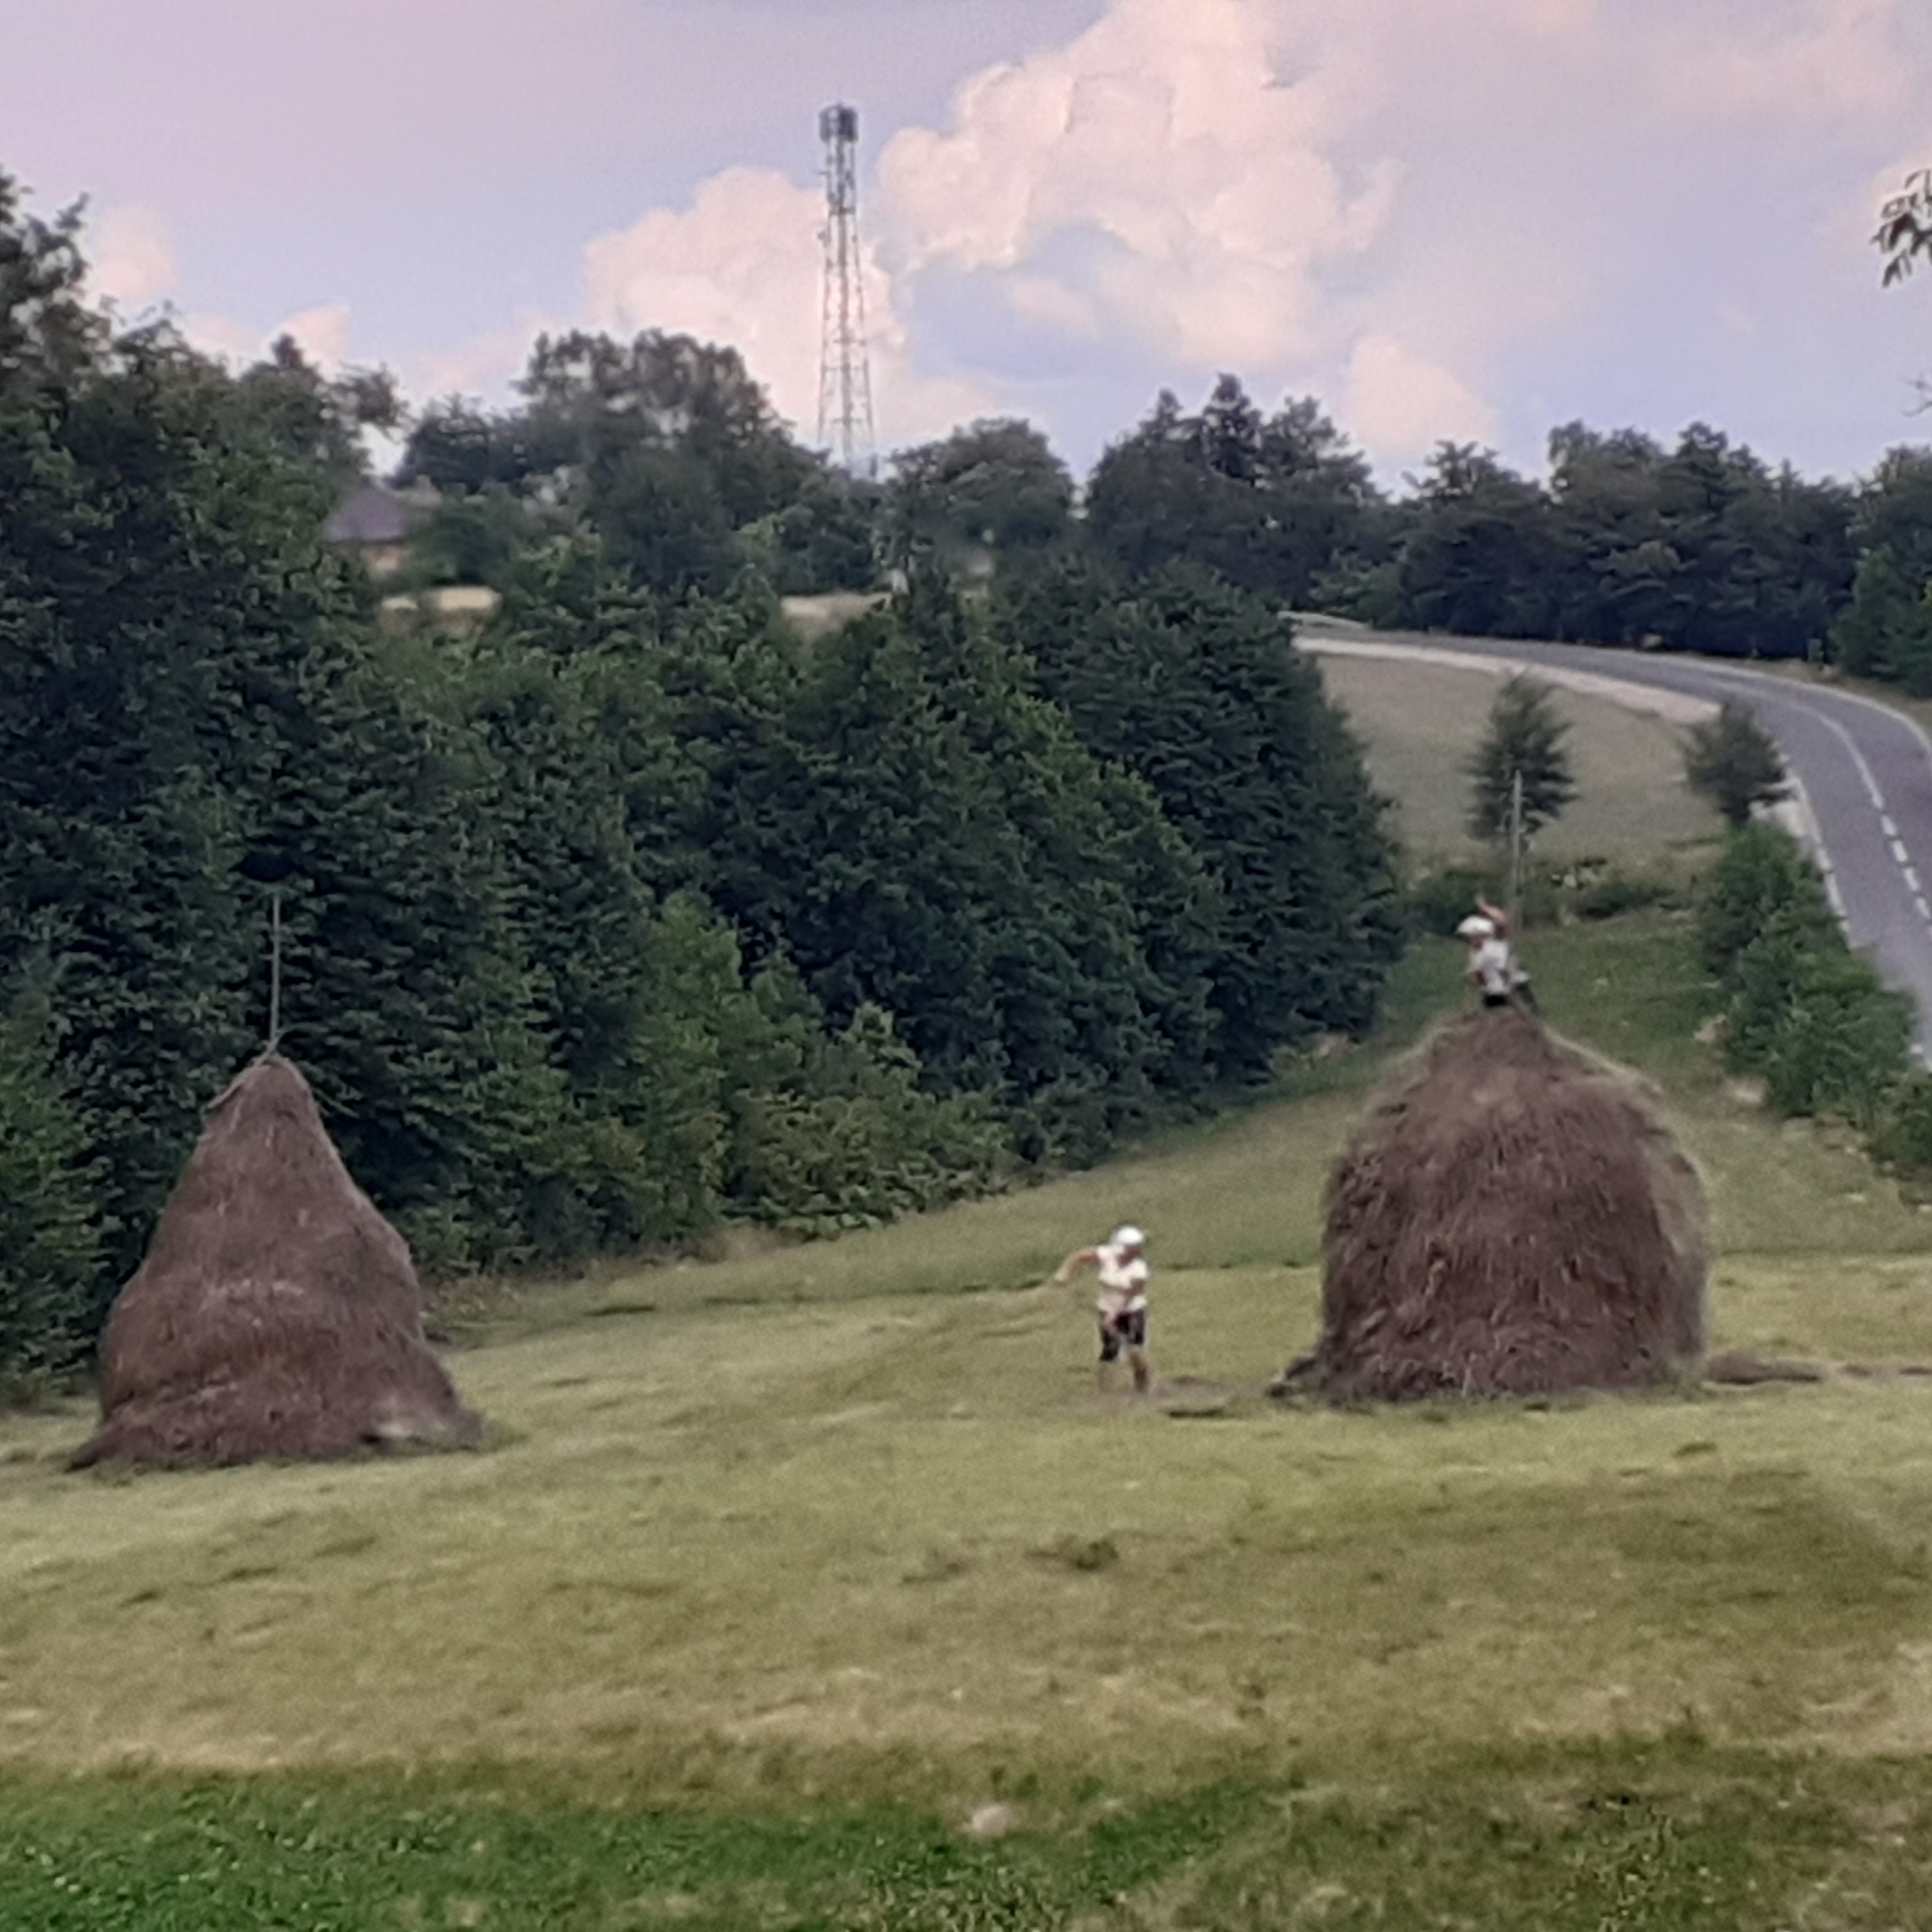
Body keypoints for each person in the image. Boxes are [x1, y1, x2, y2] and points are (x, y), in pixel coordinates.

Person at [1053, 1223, 1152, 1393]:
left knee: (1135, 1349)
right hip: (1106, 1308)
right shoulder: (1107, 1254)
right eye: (1130, 1249)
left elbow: (1131, 1294)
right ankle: (1106, 1390)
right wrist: (1065, 1272)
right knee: (1110, 1349)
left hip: (1131, 1310)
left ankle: (1143, 1385)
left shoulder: (1139, 1269)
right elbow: (1081, 1256)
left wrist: (1114, 1314)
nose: (1134, 1252)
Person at [1457, 899, 1537, 1012]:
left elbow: (1502, 920)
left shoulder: (1495, 942)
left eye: (1473, 937)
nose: (1470, 941)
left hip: (1513, 988)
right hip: (1494, 993)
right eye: (1468, 938)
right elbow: (1477, 975)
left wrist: (1486, 909)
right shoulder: (1475, 953)